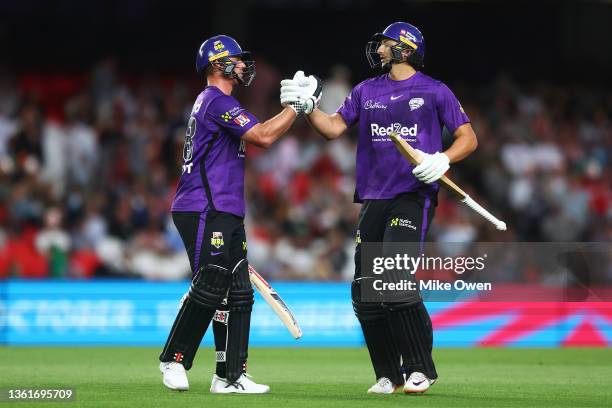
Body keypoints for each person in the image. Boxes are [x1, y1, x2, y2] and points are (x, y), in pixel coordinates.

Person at [281, 22, 478, 394]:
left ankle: (422, 368)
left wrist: (443, 159)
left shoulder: (435, 91)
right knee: (364, 290)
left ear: (405, 49)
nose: (380, 49)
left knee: (395, 279)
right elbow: (334, 128)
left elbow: (468, 138)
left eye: (386, 44)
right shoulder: (365, 90)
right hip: (373, 198)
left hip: (412, 195)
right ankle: (388, 374)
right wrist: (308, 108)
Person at [159, 34, 301, 394]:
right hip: (205, 206)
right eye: (236, 59)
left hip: (223, 208)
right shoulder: (216, 101)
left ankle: (229, 375)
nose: (242, 65)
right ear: (217, 63)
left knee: (238, 292)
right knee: (211, 282)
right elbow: (264, 136)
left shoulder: (214, 102)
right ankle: (173, 359)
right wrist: (296, 109)